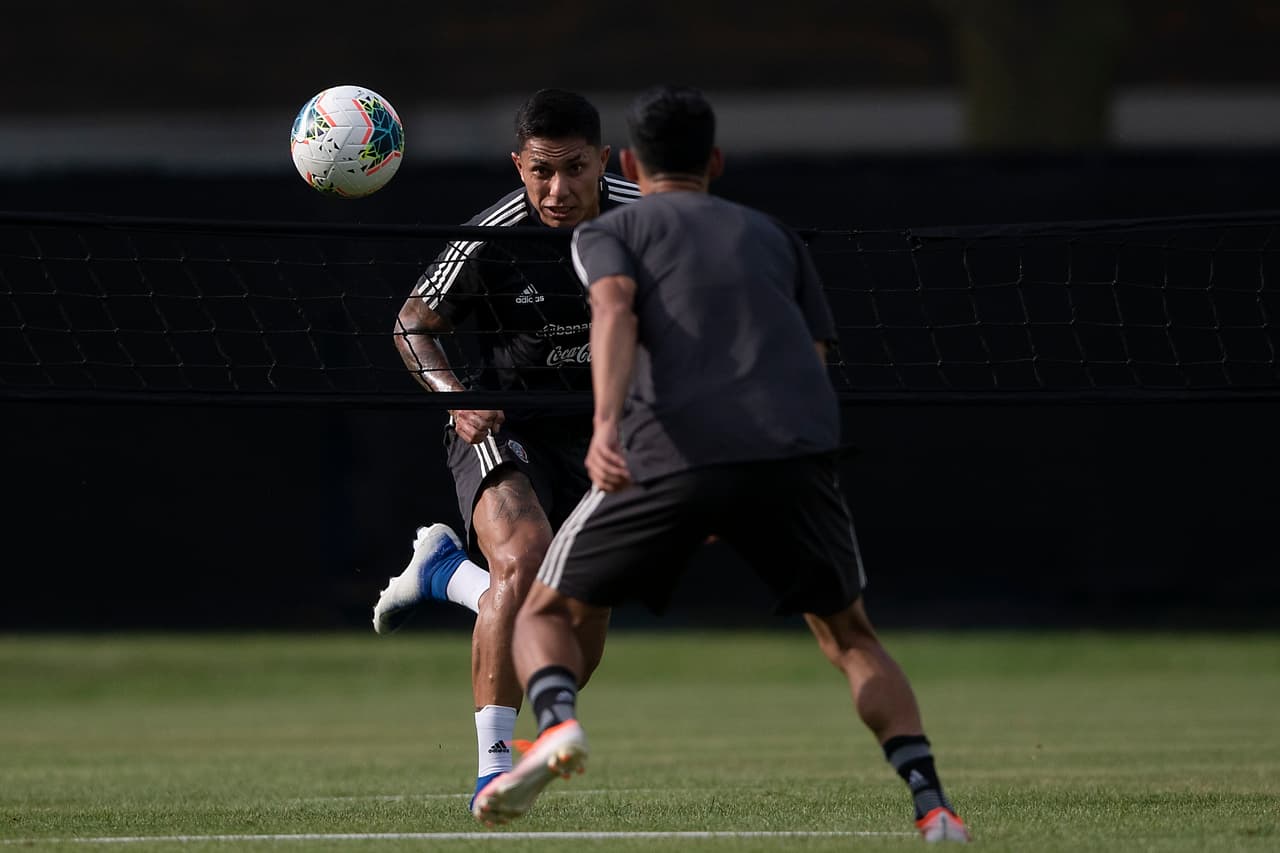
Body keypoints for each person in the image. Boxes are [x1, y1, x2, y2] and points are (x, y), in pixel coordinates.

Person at [471, 85, 970, 844]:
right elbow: (814, 358)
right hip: (793, 456)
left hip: (671, 457)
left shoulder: (615, 231)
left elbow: (612, 312)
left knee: (544, 606)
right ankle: (932, 803)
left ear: (624, 162)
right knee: (853, 640)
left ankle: (557, 723)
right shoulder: (774, 235)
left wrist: (606, 427)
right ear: (716, 161)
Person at [372, 88, 639, 809]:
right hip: (502, 424)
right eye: (541, 171)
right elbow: (410, 324)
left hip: (602, 432)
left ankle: (445, 575)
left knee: (576, 627)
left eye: (575, 169)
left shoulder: (645, 220)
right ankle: (493, 771)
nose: (558, 190)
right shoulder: (491, 235)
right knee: (523, 559)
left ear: (603, 161)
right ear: (519, 165)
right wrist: (455, 396)